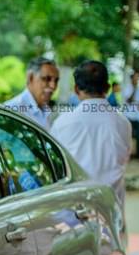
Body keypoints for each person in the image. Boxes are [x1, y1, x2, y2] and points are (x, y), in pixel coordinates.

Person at [50, 60, 132, 206]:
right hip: (113, 207)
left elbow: (56, 166)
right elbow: (123, 159)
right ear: (107, 88)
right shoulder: (123, 123)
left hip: (77, 209)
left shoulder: (62, 123)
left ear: (76, 89)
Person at [3, 57, 58, 130]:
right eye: (47, 79)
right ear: (30, 77)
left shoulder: (47, 111)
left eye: (56, 81)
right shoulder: (12, 110)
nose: (53, 86)